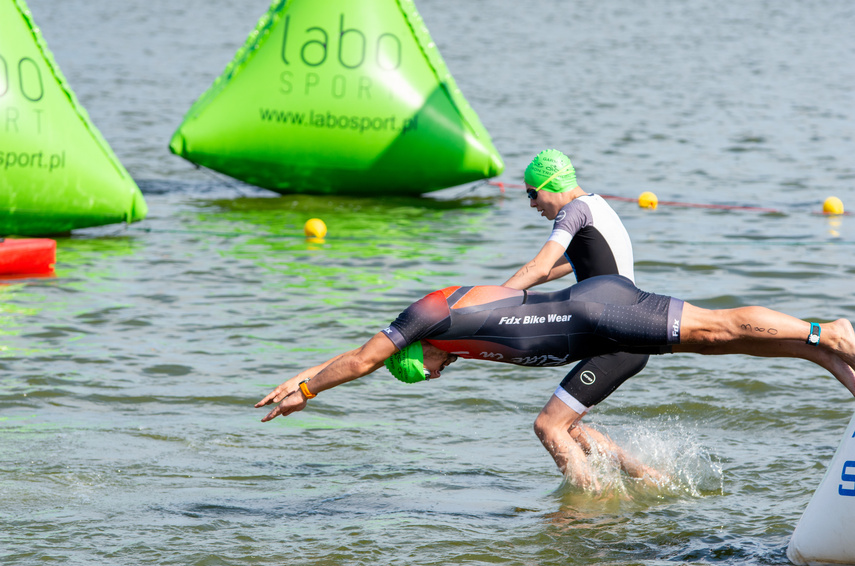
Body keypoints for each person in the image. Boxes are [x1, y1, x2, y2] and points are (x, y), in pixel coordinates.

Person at [256, 274, 855, 488]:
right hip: (598, 326)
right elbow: (363, 352)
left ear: (422, 351)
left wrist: (308, 393)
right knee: (725, 349)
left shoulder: (434, 315)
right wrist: (299, 376)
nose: (436, 376)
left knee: (717, 329)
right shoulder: (445, 326)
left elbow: (364, 360)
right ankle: (827, 358)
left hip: (598, 314)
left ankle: (829, 334)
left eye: (425, 370)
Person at [502, 149, 650, 484]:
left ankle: (587, 504)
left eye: (531, 193)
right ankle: (648, 479)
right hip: (629, 336)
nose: (531, 204)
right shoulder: (597, 206)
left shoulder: (573, 210)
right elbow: (563, 266)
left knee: (548, 425)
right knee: (568, 426)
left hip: (619, 340)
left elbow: (539, 266)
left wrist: (489, 303)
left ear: (550, 184)